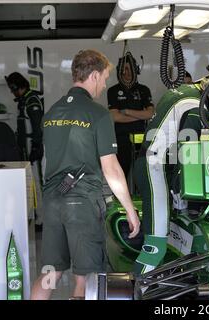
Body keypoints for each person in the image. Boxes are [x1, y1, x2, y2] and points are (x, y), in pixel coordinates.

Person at [31, 49, 140, 300]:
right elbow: (110, 169)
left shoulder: (51, 114)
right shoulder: (98, 114)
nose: (104, 84)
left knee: (50, 273)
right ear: (93, 75)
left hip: (52, 202)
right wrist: (130, 210)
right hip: (81, 206)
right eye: (104, 77)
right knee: (86, 279)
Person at [132, 69, 209, 274]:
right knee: (155, 247)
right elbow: (187, 159)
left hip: (154, 163)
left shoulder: (187, 92)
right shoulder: (195, 107)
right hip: (155, 168)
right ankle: (137, 289)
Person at [5, 72, 44, 225]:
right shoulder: (23, 101)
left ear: (17, 86)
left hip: (32, 150)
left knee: (37, 183)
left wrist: (36, 147)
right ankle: (31, 216)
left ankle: (42, 218)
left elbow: (37, 127)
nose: (11, 91)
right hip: (24, 150)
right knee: (28, 183)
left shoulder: (32, 100)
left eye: (12, 88)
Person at [107, 57, 154, 181]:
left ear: (136, 70)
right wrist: (139, 115)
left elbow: (150, 114)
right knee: (121, 172)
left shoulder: (144, 90)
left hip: (141, 139)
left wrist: (127, 111)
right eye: (123, 69)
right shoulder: (113, 91)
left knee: (142, 173)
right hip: (120, 138)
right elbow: (114, 117)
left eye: (129, 69)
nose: (126, 73)